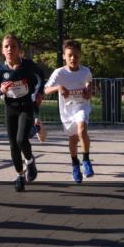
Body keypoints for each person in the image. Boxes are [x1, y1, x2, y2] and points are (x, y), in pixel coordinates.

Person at [0, 34, 44, 192]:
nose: (10, 49)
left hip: (26, 106)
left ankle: (29, 161)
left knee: (21, 139)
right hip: (10, 109)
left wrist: (39, 92)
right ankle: (20, 175)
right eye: (6, 46)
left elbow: (41, 76)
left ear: (19, 49)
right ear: (2, 50)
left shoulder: (27, 65)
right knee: (13, 145)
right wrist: (0, 90)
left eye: (13, 46)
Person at [45, 40, 94, 183]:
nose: (73, 58)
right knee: (73, 139)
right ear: (64, 57)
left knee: (82, 129)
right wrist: (58, 88)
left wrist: (89, 91)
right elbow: (46, 89)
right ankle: (74, 164)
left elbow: (89, 83)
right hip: (67, 111)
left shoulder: (85, 71)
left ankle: (86, 161)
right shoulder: (59, 73)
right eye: (70, 55)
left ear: (80, 56)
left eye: (76, 56)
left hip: (81, 106)